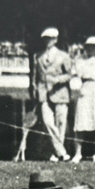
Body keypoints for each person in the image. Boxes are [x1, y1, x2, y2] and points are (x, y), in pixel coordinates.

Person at [31, 27, 74, 162]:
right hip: (44, 93)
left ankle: (56, 155)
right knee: (48, 122)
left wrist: (57, 80)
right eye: (45, 38)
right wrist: (36, 90)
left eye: (50, 38)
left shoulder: (64, 56)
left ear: (55, 40)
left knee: (61, 123)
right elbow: (35, 76)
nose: (47, 41)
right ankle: (61, 152)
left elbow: (69, 74)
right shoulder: (38, 56)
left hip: (60, 93)